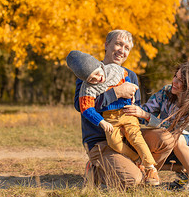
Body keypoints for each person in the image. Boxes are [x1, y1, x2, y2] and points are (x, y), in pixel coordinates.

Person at [73, 30, 174, 188]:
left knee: (166, 140)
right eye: (118, 44)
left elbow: (136, 110)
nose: (122, 50)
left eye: (127, 47)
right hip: (101, 141)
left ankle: (144, 167)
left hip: (128, 133)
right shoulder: (90, 72)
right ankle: (96, 168)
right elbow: (81, 106)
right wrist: (116, 92)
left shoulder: (131, 76)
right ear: (107, 45)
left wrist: (142, 113)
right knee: (133, 180)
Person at [66, 50, 159, 185]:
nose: (98, 79)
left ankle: (151, 167)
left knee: (136, 137)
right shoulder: (87, 88)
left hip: (126, 113)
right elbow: (85, 108)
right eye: (92, 79)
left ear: (100, 66)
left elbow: (126, 78)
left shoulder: (114, 70)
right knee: (114, 143)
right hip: (109, 120)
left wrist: (132, 91)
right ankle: (136, 160)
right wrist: (101, 121)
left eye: (97, 73)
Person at [123, 61, 189, 192]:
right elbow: (146, 111)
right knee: (155, 142)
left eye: (180, 81)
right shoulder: (166, 92)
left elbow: (177, 128)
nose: (174, 82)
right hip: (171, 142)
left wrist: (147, 116)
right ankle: (176, 170)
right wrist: (131, 107)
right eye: (175, 77)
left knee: (176, 139)